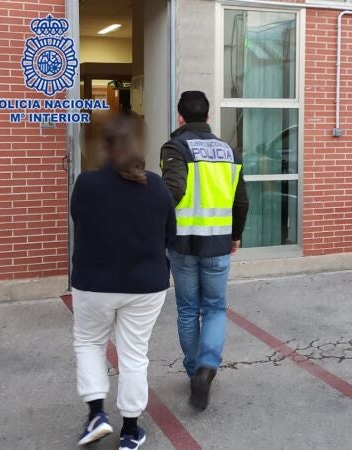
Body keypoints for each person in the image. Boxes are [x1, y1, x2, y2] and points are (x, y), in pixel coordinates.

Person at [71, 114, 176, 449]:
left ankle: (96, 415)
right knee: (134, 354)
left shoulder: (86, 184)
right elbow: (169, 235)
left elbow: (80, 221)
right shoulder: (157, 186)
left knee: (89, 343)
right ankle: (130, 431)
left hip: (93, 283)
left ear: (104, 147)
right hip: (146, 285)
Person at [160, 91, 249, 411]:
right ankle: (207, 366)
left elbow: (173, 190)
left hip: (183, 244)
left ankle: (193, 371)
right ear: (208, 118)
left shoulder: (176, 147)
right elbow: (241, 201)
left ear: (180, 118)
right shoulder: (229, 151)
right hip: (218, 244)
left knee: (187, 309)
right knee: (214, 308)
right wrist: (235, 235)